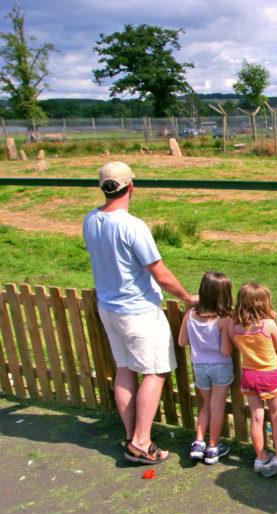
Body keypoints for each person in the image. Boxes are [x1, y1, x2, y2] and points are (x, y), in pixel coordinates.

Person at [82, 161, 196, 465]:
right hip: (138, 311)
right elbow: (159, 273)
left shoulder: (90, 220)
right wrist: (186, 296)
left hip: (109, 309)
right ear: (131, 186)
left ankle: (131, 434)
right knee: (155, 371)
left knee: (124, 369)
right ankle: (142, 443)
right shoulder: (132, 226)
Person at [227, 282, 277, 477]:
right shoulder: (267, 325)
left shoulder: (235, 327)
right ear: (263, 303)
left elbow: (236, 345)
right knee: (276, 416)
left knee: (256, 416)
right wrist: (274, 322)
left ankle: (260, 458)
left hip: (248, 375)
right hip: (269, 374)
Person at [177, 272, 234, 465]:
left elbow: (182, 341)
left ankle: (198, 442)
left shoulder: (190, 315)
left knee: (206, 405)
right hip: (220, 367)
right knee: (217, 407)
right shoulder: (223, 320)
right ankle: (212, 447)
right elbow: (226, 351)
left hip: (199, 367)